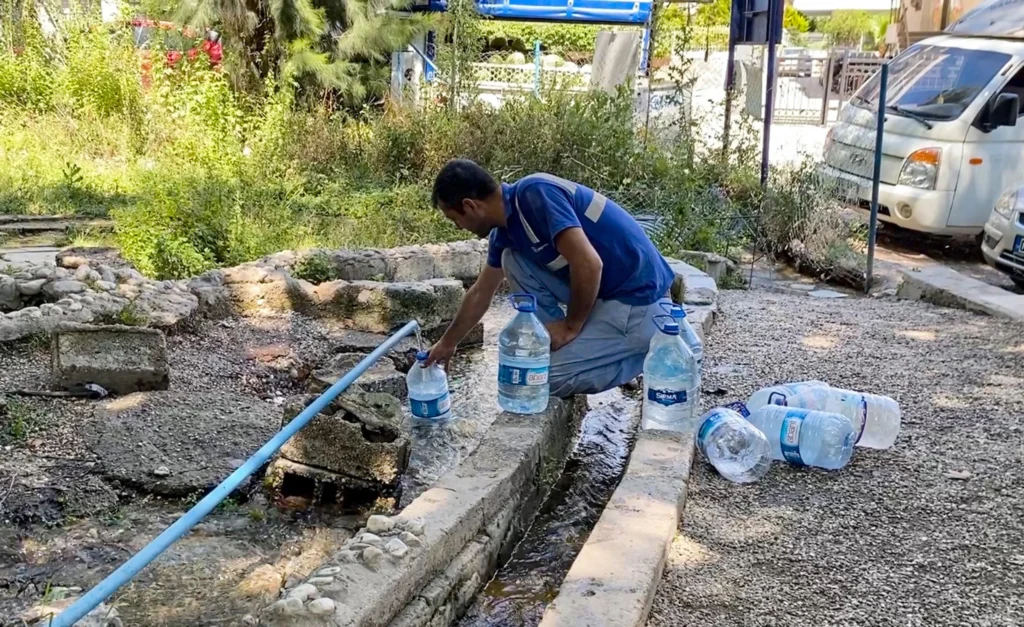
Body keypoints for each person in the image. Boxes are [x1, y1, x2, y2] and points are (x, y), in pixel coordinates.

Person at [425, 159, 678, 398]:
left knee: (537, 380)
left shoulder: (536, 193)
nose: (458, 227)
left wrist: (571, 327)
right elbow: (481, 292)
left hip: (637, 301)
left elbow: (589, 264)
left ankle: (638, 356)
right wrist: (448, 344)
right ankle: (565, 346)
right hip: (607, 296)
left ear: (470, 206)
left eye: (454, 219)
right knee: (511, 259)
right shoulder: (505, 233)